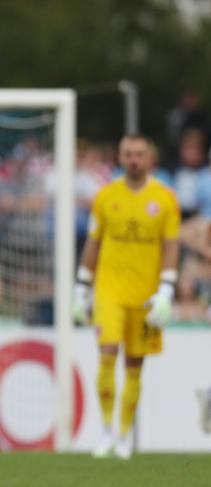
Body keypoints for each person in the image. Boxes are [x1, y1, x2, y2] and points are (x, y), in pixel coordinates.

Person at [72, 134, 181, 460]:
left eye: (139, 154)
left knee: (135, 365)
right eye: (128, 154)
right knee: (107, 353)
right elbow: (93, 242)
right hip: (109, 290)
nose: (133, 159)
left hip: (146, 294)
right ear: (119, 157)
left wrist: (167, 288)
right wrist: (81, 286)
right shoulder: (106, 196)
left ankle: (122, 435)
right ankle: (105, 431)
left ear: (150, 159)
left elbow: (171, 246)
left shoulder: (165, 199)